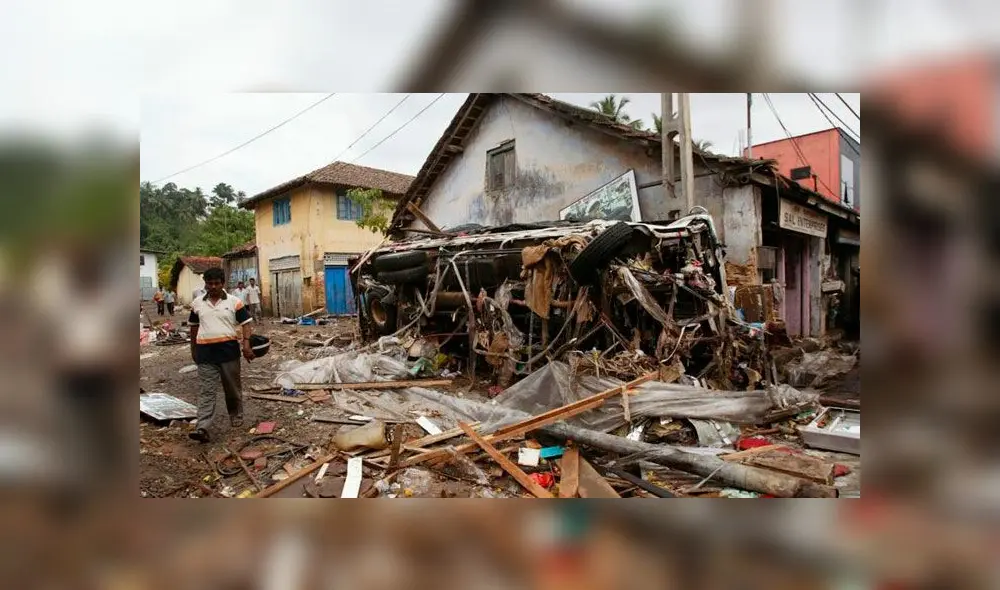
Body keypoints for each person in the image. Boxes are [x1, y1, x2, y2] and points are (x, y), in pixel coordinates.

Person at [187, 267, 255, 443]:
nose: (213, 286)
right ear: (206, 284)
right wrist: (193, 349)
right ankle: (202, 427)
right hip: (205, 353)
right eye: (210, 283)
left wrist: (246, 345)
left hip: (228, 352)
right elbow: (193, 328)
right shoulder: (197, 303)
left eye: (217, 283)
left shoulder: (234, 302)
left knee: (232, 388)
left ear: (223, 284)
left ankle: (236, 415)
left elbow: (246, 323)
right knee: (206, 391)